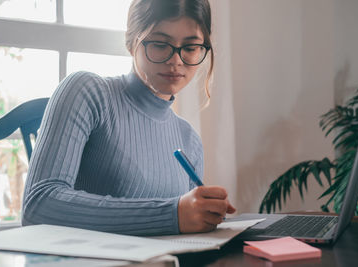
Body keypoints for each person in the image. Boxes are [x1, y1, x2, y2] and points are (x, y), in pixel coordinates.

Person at [22, 0, 235, 236]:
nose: (176, 60)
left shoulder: (189, 140)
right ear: (131, 41)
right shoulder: (88, 92)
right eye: (160, 44)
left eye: (191, 47)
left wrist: (203, 215)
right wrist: (171, 214)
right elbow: (39, 206)